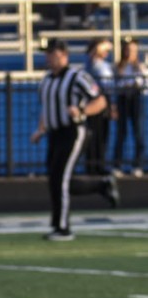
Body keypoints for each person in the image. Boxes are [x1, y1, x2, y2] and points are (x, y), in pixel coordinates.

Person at [30, 38, 120, 241]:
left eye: (52, 53)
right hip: (54, 133)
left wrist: (81, 110)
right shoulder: (46, 80)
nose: (48, 58)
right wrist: (40, 129)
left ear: (63, 54)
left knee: (60, 178)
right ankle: (102, 185)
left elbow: (101, 101)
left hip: (73, 132)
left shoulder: (77, 76)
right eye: (47, 54)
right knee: (57, 180)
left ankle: (62, 228)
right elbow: (48, 108)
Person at [113, 38, 147, 176]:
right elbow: (113, 84)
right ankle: (117, 165)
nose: (129, 53)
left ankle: (138, 165)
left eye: (133, 50)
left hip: (136, 99)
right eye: (127, 50)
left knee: (138, 132)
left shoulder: (140, 66)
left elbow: (144, 85)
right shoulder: (118, 66)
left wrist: (140, 73)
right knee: (121, 133)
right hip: (123, 99)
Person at [84, 37, 115, 178]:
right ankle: (92, 165)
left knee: (103, 134)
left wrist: (112, 105)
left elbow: (110, 86)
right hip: (94, 100)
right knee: (93, 134)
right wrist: (100, 46)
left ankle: (100, 164)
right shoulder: (92, 63)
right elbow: (92, 61)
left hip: (105, 100)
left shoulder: (106, 65)